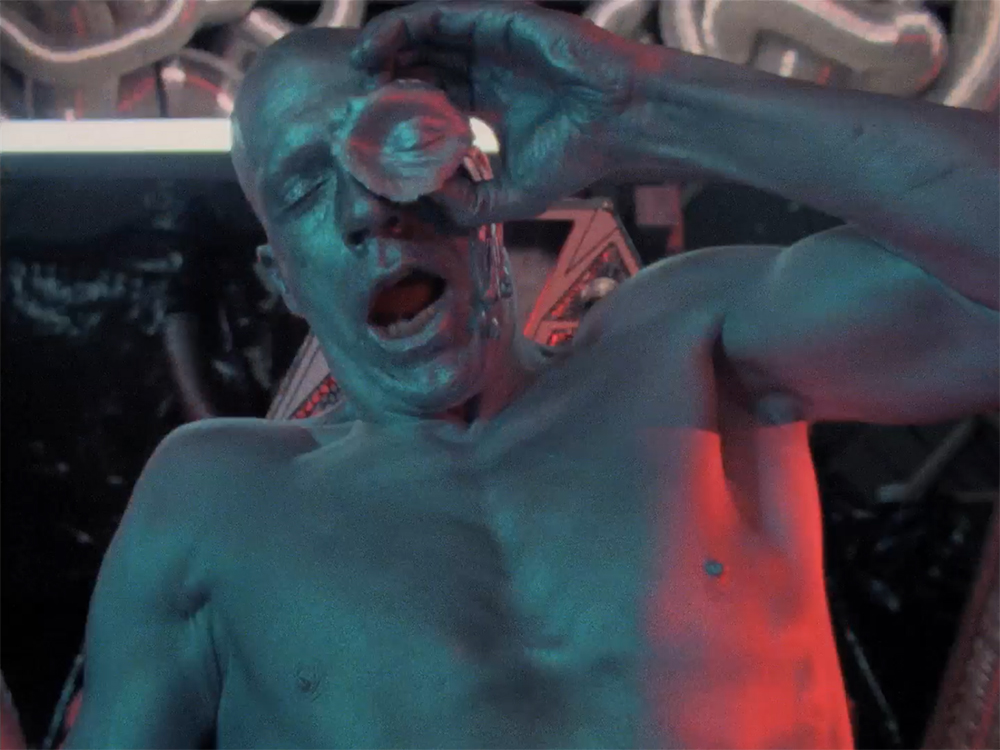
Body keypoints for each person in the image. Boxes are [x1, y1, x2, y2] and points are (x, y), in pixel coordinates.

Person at [59, 3, 997, 748]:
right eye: (304, 187)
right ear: (285, 282)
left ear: (479, 178)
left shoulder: (695, 349)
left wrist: (645, 107)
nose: (365, 210)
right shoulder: (216, 502)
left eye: (389, 145)